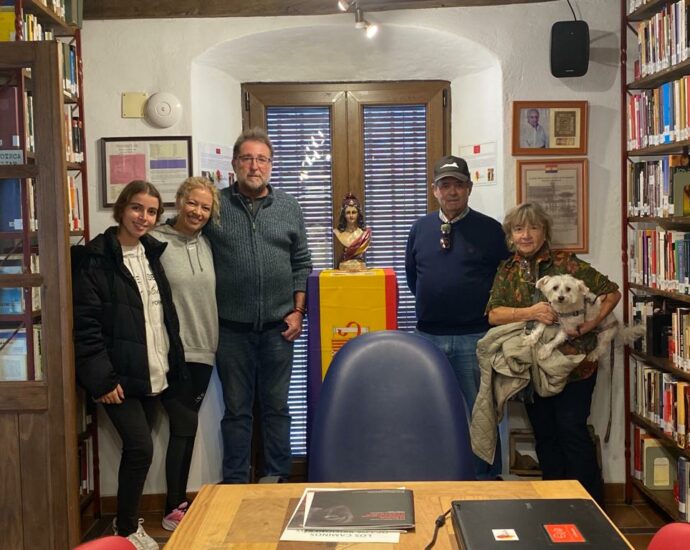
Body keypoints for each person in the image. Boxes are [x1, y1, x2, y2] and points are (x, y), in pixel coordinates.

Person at [72, 180, 186, 549]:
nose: (144, 217)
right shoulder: (96, 258)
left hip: (153, 374)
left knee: (139, 451)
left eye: (151, 211)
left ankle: (125, 527)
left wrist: (173, 364)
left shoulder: (151, 253)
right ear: (121, 209)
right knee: (141, 448)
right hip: (118, 378)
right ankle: (124, 531)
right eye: (137, 208)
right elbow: (86, 326)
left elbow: (159, 316)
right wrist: (101, 380)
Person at [486, 202, 620, 505]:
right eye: (519, 229)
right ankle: (555, 506)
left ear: (544, 231)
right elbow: (494, 314)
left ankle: (590, 507)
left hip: (576, 368)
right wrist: (530, 311)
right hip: (534, 369)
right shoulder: (506, 271)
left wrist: (591, 323)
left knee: (572, 431)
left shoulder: (567, 263)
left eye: (533, 227)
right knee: (545, 436)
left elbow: (612, 291)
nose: (526, 235)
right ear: (510, 235)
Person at [204, 127, 312, 483]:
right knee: (237, 412)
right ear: (235, 164)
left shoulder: (289, 207)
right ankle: (234, 484)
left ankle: (277, 479)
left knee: (277, 410)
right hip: (230, 330)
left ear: (271, 165)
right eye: (247, 158)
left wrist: (298, 311)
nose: (255, 166)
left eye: (262, 159)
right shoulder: (215, 206)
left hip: (279, 330)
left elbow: (301, 263)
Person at [405, 154, 510, 479]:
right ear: (435, 190)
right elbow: (413, 278)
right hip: (428, 339)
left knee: (482, 416)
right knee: (429, 411)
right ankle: (433, 477)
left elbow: (503, 282)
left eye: (458, 185)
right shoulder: (420, 229)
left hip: (474, 338)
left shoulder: (491, 231)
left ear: (469, 188)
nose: (452, 192)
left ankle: (486, 481)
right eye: (445, 185)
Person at [149, 176, 219, 531]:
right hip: (172, 352)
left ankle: (177, 504)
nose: (198, 212)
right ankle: (173, 507)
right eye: (192, 203)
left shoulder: (208, 244)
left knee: (185, 427)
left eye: (205, 207)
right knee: (183, 424)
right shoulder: (155, 241)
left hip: (205, 352)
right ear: (179, 201)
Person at [333, 193, 371, 271]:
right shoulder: (338, 233)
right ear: (344, 215)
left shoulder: (364, 235)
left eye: (354, 212)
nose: (351, 216)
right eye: (348, 212)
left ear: (358, 214)